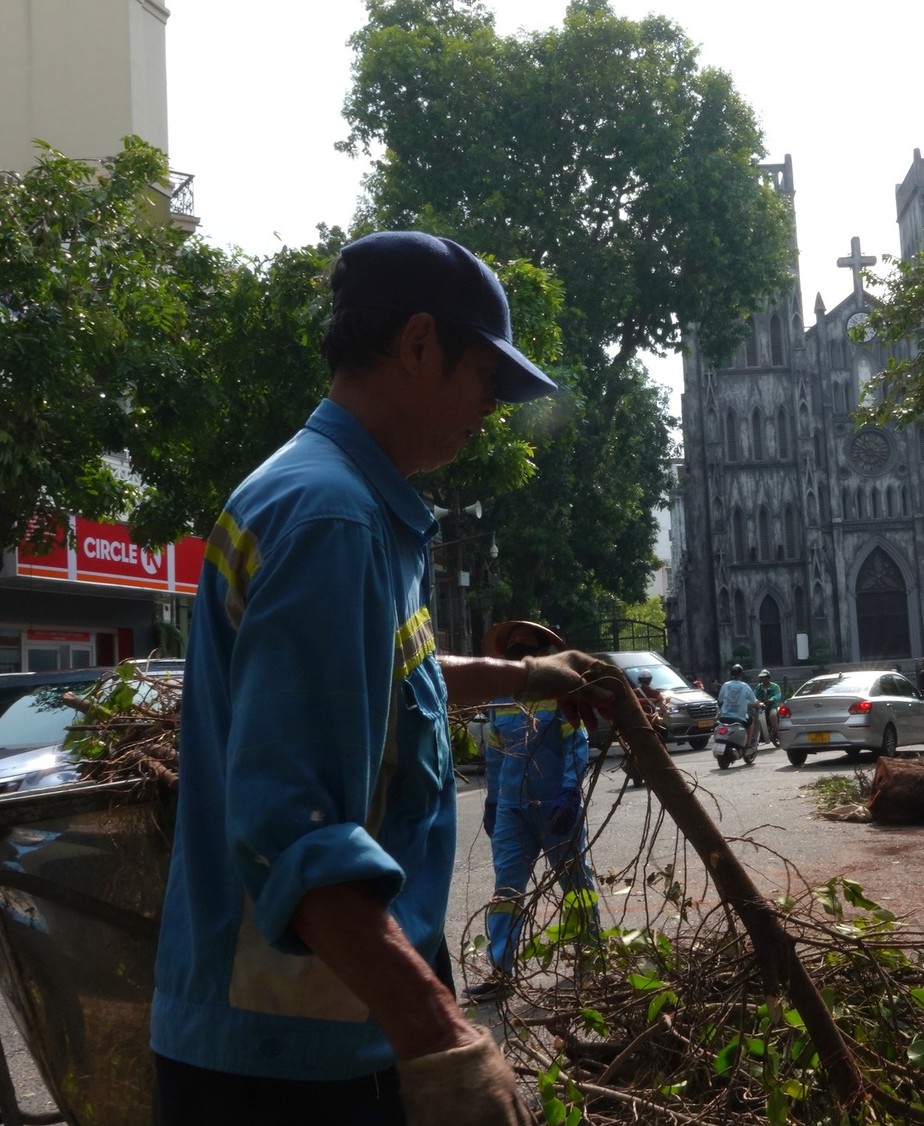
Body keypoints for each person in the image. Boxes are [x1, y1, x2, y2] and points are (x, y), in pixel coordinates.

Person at [151, 230, 618, 1126]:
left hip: (311, 1030)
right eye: (487, 377)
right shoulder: (335, 521)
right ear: (415, 345)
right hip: (295, 1057)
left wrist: (528, 676)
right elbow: (298, 835)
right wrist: (443, 1036)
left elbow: (384, 678)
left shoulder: (336, 498)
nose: (491, 408)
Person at [471, 621, 600, 1002]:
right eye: (511, 647)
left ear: (542, 651)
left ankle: (590, 957)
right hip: (511, 809)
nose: (517, 653)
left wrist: (569, 791)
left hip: (556, 805)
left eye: (525, 646)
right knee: (507, 890)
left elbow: (576, 743)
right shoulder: (499, 699)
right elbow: (495, 756)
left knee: (575, 883)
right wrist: (493, 802)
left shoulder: (560, 692)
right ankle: (500, 972)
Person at [715, 665, 755, 754]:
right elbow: (754, 701)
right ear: (741, 674)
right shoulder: (745, 686)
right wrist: (760, 704)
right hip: (739, 718)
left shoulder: (725, 685)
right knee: (751, 720)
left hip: (724, 717)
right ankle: (748, 744)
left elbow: (720, 700)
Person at [753, 670, 783, 745]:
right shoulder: (758, 687)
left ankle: (775, 731)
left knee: (772, 715)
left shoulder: (775, 687)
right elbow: (754, 696)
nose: (762, 679)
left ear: (768, 678)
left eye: (764, 677)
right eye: (761, 677)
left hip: (772, 706)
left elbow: (778, 695)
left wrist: (773, 699)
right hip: (761, 707)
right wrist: (757, 701)